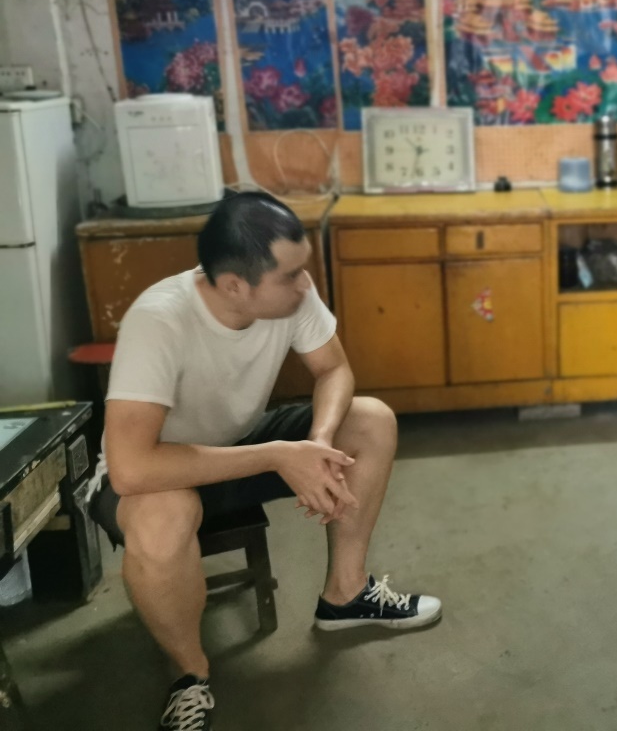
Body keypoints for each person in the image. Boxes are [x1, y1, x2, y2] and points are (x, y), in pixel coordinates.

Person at [88, 192, 440, 731]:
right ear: (235, 286)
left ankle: (345, 595)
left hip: (243, 443)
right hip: (161, 472)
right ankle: (189, 675)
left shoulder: (291, 293)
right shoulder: (158, 321)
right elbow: (132, 468)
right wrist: (279, 455)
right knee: (164, 518)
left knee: (371, 420)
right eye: (290, 276)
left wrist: (318, 444)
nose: (305, 285)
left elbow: (334, 370)